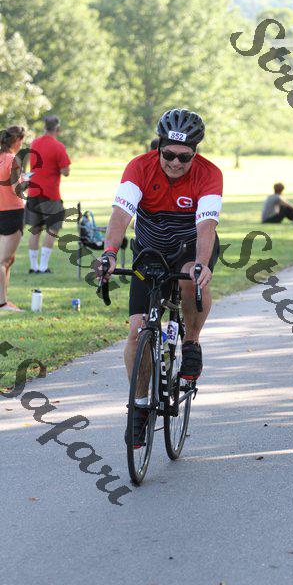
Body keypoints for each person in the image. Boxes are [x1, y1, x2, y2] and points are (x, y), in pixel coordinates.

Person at [98, 108, 223, 445]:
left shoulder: (209, 174)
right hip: (150, 249)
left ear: (195, 152)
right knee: (137, 332)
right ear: (159, 147)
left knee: (190, 276)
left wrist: (201, 263)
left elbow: (206, 225)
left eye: (184, 157)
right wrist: (109, 253)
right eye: (168, 154)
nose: (175, 163)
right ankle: (139, 407)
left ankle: (191, 342)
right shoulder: (139, 167)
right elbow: (121, 214)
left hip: (189, 246)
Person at [26, 115, 71, 274]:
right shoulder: (58, 146)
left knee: (35, 229)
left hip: (33, 191)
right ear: (57, 129)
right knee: (53, 228)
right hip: (50, 193)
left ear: (45, 127)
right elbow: (65, 171)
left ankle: (33, 266)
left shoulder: (34, 143)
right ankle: (43, 266)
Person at [0, 126, 26, 312]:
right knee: (3, 260)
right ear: (17, 140)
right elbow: (17, 188)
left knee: (8, 260)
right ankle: (2, 304)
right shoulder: (13, 160)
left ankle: (4, 300)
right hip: (12, 212)